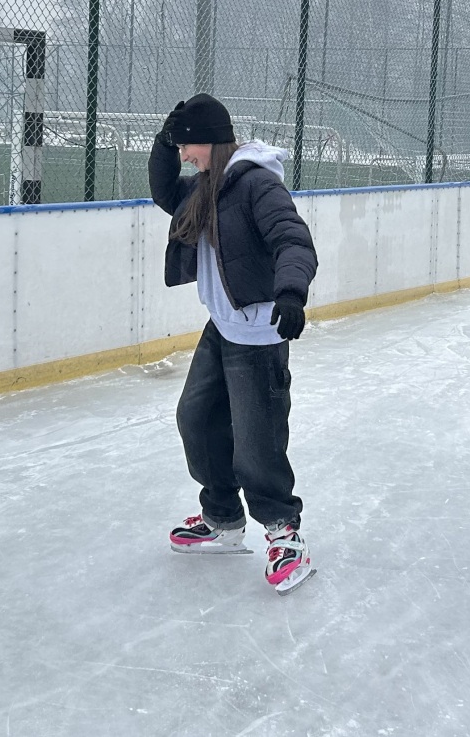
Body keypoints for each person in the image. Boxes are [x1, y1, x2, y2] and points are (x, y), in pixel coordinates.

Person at [148, 93, 319, 594]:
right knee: (196, 418)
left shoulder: (256, 184)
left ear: (212, 142)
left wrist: (291, 292)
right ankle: (222, 518)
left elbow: (292, 239)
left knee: (256, 442)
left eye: (187, 146)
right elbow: (165, 191)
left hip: (258, 333)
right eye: (179, 148)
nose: (184, 156)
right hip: (221, 327)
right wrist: (163, 141)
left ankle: (284, 535)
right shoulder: (207, 186)